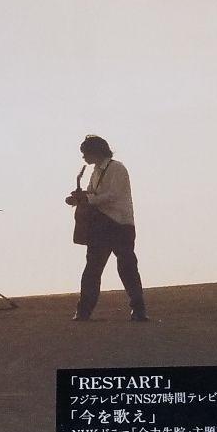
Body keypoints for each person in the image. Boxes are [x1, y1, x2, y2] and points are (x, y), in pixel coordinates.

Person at [66, 134, 148, 321]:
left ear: (96, 152)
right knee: (93, 269)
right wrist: (78, 198)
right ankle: (84, 311)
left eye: (85, 153)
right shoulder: (96, 171)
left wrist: (87, 198)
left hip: (119, 224)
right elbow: (93, 194)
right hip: (102, 225)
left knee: (126, 268)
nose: (83, 157)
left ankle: (138, 309)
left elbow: (113, 195)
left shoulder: (117, 168)